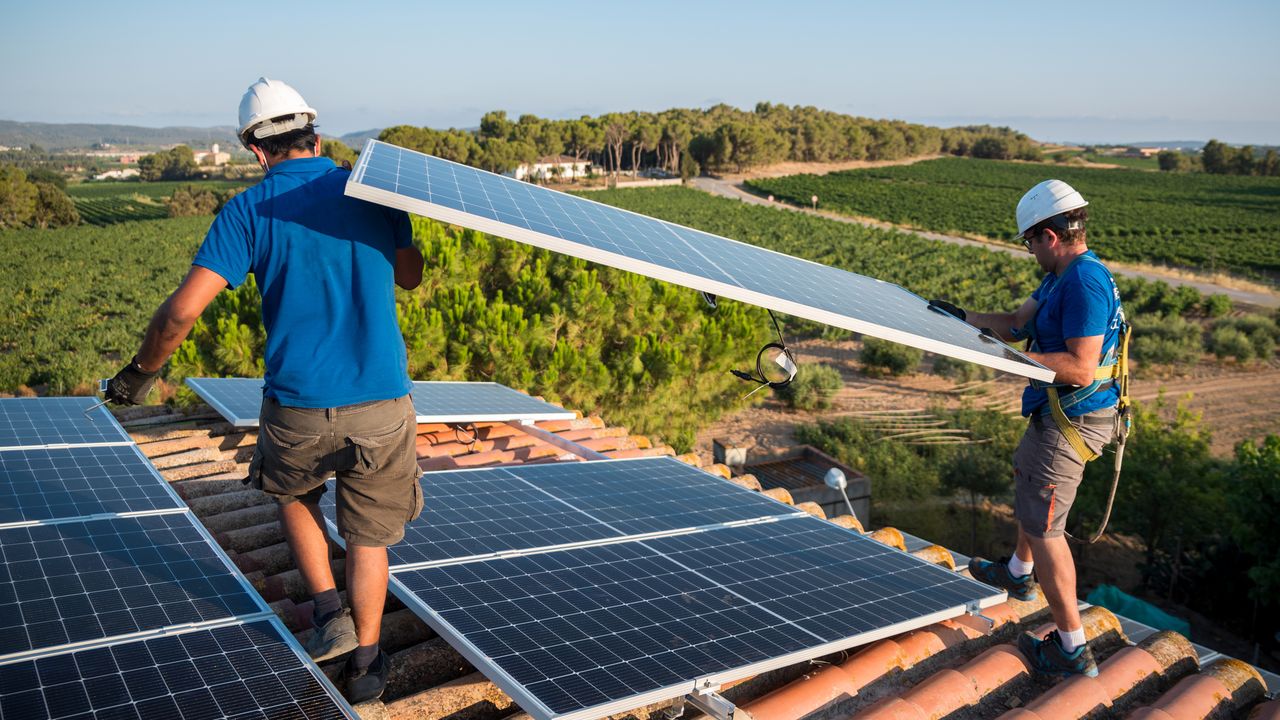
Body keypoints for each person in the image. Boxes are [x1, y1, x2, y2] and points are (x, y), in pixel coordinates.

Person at [105, 77, 425, 703]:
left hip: (297, 406)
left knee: (293, 492)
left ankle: (327, 612)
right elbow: (409, 276)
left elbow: (180, 314)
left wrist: (138, 374)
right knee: (368, 539)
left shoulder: (247, 211)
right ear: (318, 136)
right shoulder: (376, 193)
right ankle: (365, 665)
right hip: (383, 404)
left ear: (256, 151)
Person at [929, 179, 1125, 678]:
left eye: (1030, 242)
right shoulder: (1061, 276)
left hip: (1074, 417)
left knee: (1044, 528)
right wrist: (964, 320)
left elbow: (1080, 367)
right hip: (1057, 413)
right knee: (1028, 479)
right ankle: (1018, 574)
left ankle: (1072, 648)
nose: (1030, 251)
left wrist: (1011, 359)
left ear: (1049, 237)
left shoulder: (1083, 282)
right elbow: (1017, 323)